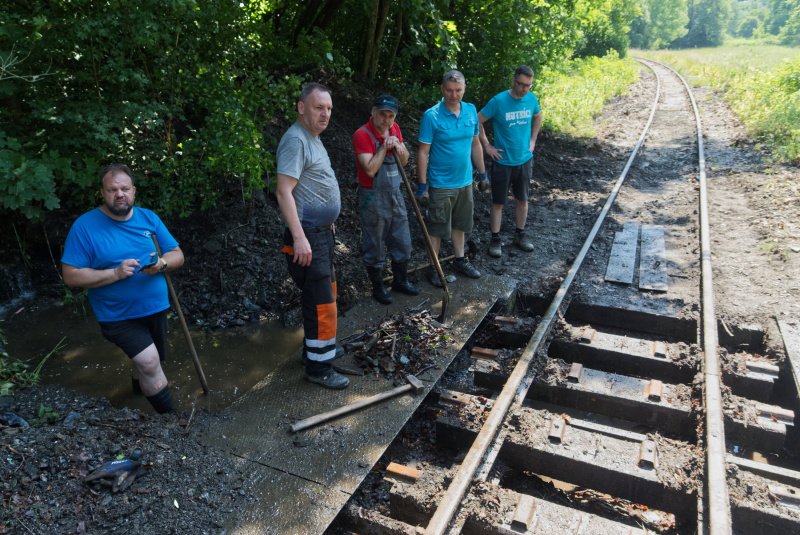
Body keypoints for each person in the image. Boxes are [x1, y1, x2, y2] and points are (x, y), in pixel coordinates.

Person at [62, 164, 184, 414]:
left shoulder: (149, 218)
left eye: (125, 189)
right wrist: (115, 273)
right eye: (112, 189)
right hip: (117, 314)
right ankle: (172, 424)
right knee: (149, 362)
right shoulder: (84, 227)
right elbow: (71, 276)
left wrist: (161, 264)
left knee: (148, 361)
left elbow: (177, 255)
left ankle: (138, 396)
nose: (120, 194)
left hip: (155, 307)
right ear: (103, 193)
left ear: (134, 191)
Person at [275, 82, 349, 390]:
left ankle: (318, 350)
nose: (325, 114)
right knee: (323, 305)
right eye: (319, 107)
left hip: (320, 235)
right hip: (307, 239)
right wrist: (301, 237)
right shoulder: (296, 140)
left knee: (321, 297)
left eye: (329, 108)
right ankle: (320, 369)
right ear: (301, 107)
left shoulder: (313, 138)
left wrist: (325, 223)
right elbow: (283, 191)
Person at [416, 70, 487, 287]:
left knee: (460, 225)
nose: (453, 95)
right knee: (437, 228)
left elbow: (475, 144)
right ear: (442, 89)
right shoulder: (432, 116)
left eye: (457, 90)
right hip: (440, 184)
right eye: (449, 90)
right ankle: (434, 268)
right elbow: (423, 153)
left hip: (465, 182)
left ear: (464, 88)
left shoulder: (471, 111)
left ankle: (459, 260)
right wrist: (422, 186)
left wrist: (483, 174)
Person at [352, 94, 420, 304]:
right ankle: (378, 287)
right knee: (375, 245)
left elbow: (406, 160)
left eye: (391, 116)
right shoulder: (362, 134)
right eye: (383, 114)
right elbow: (370, 169)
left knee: (402, 241)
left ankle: (400, 281)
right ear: (373, 112)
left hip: (395, 194)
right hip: (372, 197)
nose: (387, 120)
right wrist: (384, 146)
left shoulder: (395, 128)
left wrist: (398, 145)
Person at [477, 65, 543, 257]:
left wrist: (533, 140)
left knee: (522, 199)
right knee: (498, 202)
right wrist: (487, 146)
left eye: (528, 86)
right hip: (502, 161)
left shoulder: (531, 98)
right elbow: (477, 120)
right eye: (521, 84)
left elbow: (538, 116)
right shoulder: (498, 101)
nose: (524, 89)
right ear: (513, 81)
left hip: (524, 159)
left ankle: (520, 235)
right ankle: (495, 239)